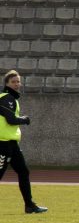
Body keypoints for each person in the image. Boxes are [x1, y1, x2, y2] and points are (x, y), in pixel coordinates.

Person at [0, 70, 47, 214]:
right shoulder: (6, 98)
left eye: (18, 81)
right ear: (6, 84)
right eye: (13, 82)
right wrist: (25, 119)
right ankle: (30, 205)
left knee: (24, 171)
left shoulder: (12, 99)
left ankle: (29, 205)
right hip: (2, 144)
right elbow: (11, 120)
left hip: (12, 144)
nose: (16, 84)